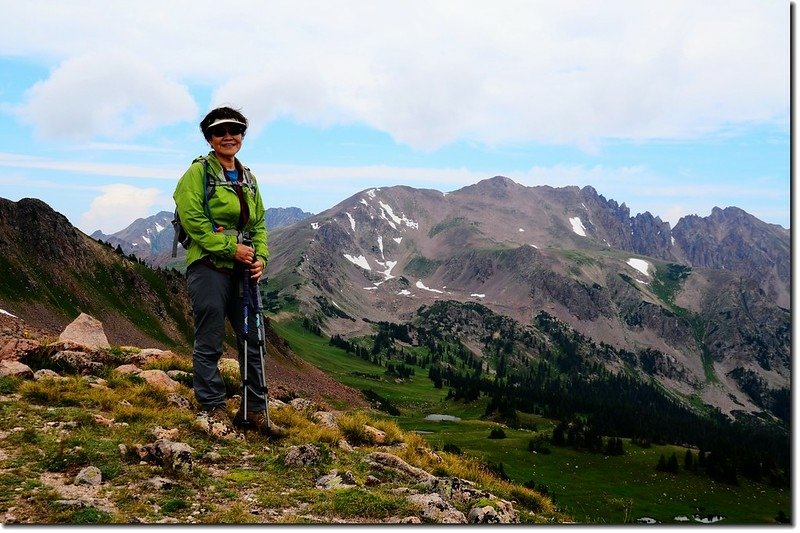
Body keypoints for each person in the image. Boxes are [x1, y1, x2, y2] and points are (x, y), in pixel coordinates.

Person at [173, 105, 285, 439]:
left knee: (253, 338)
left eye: (235, 131)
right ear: (209, 138)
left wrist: (260, 256)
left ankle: (255, 411)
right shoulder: (197, 174)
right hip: (209, 267)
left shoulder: (249, 178)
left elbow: (260, 223)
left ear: (242, 137)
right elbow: (193, 221)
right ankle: (212, 406)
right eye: (220, 131)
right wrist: (229, 248)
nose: (228, 136)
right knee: (209, 338)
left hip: (243, 271)